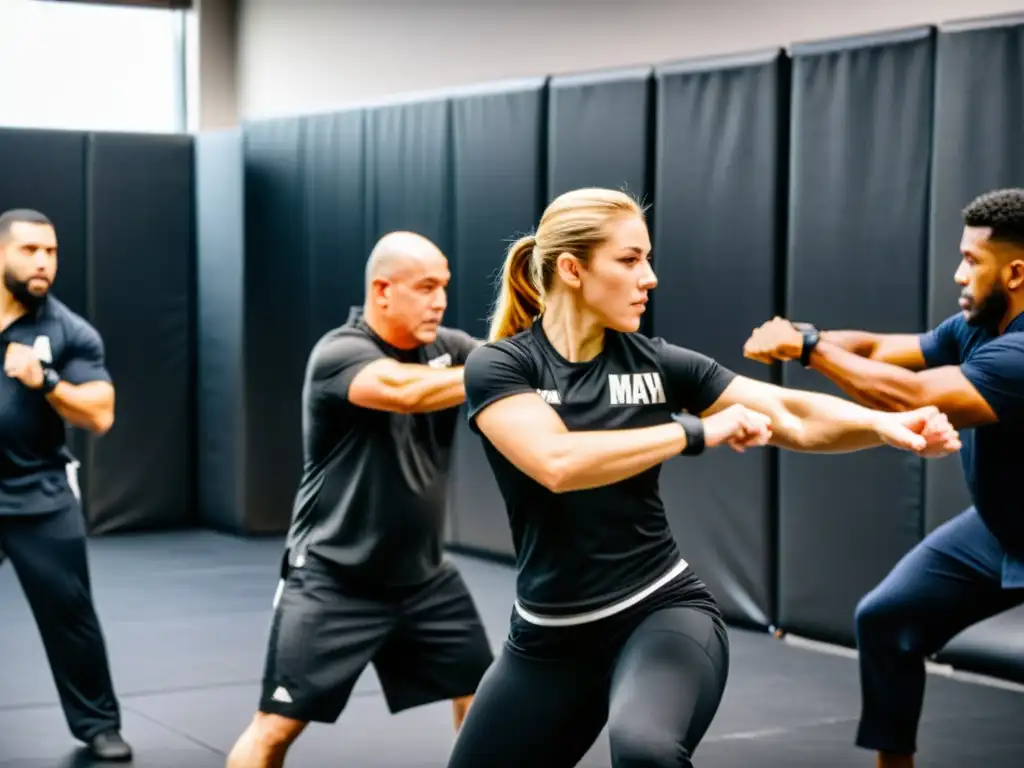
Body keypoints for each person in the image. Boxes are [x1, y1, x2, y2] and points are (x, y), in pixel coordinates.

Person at [443, 188, 961, 768]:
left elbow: (788, 413)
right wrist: (693, 432)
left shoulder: (657, 363)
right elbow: (557, 464)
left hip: (660, 617)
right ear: (572, 268)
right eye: (630, 259)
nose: (651, 277)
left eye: (648, 257)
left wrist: (885, 424)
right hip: (546, 640)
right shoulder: (503, 365)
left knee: (646, 750)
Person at [742, 187, 1024, 768]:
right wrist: (798, 339)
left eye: (972, 261)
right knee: (887, 618)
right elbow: (876, 350)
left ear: (1016, 272)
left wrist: (811, 349)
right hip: (1000, 529)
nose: (958, 274)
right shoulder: (976, 327)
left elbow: (912, 395)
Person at [227, 231, 495, 768]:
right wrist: (502, 371)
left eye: (444, 286)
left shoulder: (450, 348)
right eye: (425, 287)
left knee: (487, 699)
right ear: (382, 290)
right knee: (274, 729)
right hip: (333, 578)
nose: (440, 300)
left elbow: (509, 366)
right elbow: (404, 391)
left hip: (424, 578)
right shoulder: (340, 352)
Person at [0, 209, 131, 761]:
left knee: (71, 616)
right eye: (30, 250)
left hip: (39, 494)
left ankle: (98, 725)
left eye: (51, 252)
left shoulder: (67, 330)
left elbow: (100, 413)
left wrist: (46, 380)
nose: (43, 263)